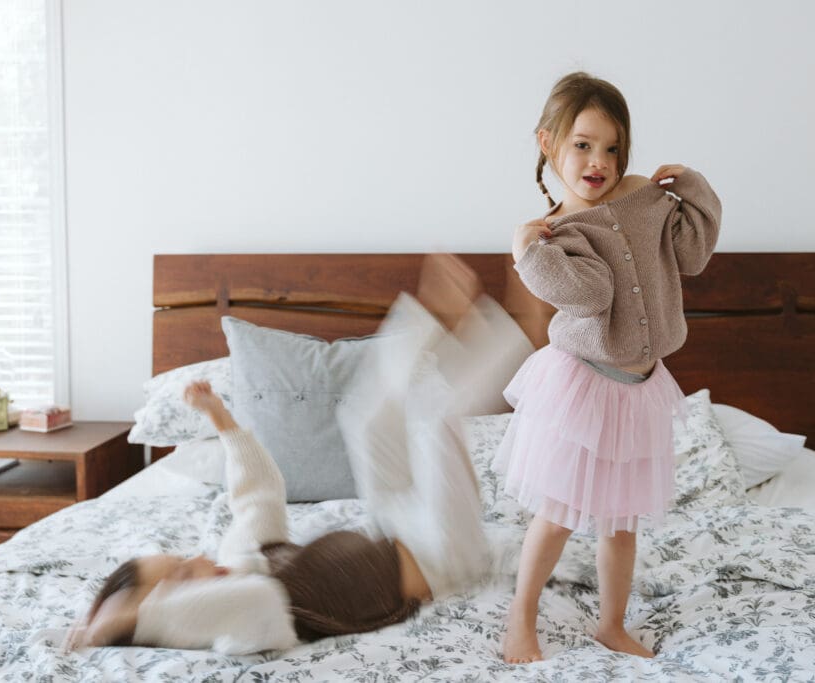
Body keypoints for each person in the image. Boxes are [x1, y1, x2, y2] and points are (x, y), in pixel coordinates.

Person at [66, 255, 517, 654]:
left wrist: (222, 420)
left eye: (185, 559)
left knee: (364, 417)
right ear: (173, 617)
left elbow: (261, 495)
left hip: (395, 524)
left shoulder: (236, 564)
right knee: (432, 417)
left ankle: (432, 316)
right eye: (185, 576)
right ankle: (512, 341)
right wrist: (126, 621)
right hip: (444, 555)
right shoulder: (247, 623)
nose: (200, 559)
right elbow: (252, 600)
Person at [495, 72, 722, 663]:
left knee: (621, 521)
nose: (599, 161)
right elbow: (589, 296)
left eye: (613, 147)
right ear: (548, 144)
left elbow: (694, 254)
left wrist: (690, 187)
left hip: (640, 387)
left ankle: (612, 624)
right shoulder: (559, 234)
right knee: (558, 515)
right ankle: (521, 621)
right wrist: (527, 254)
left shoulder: (647, 199)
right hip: (582, 386)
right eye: (582, 145)